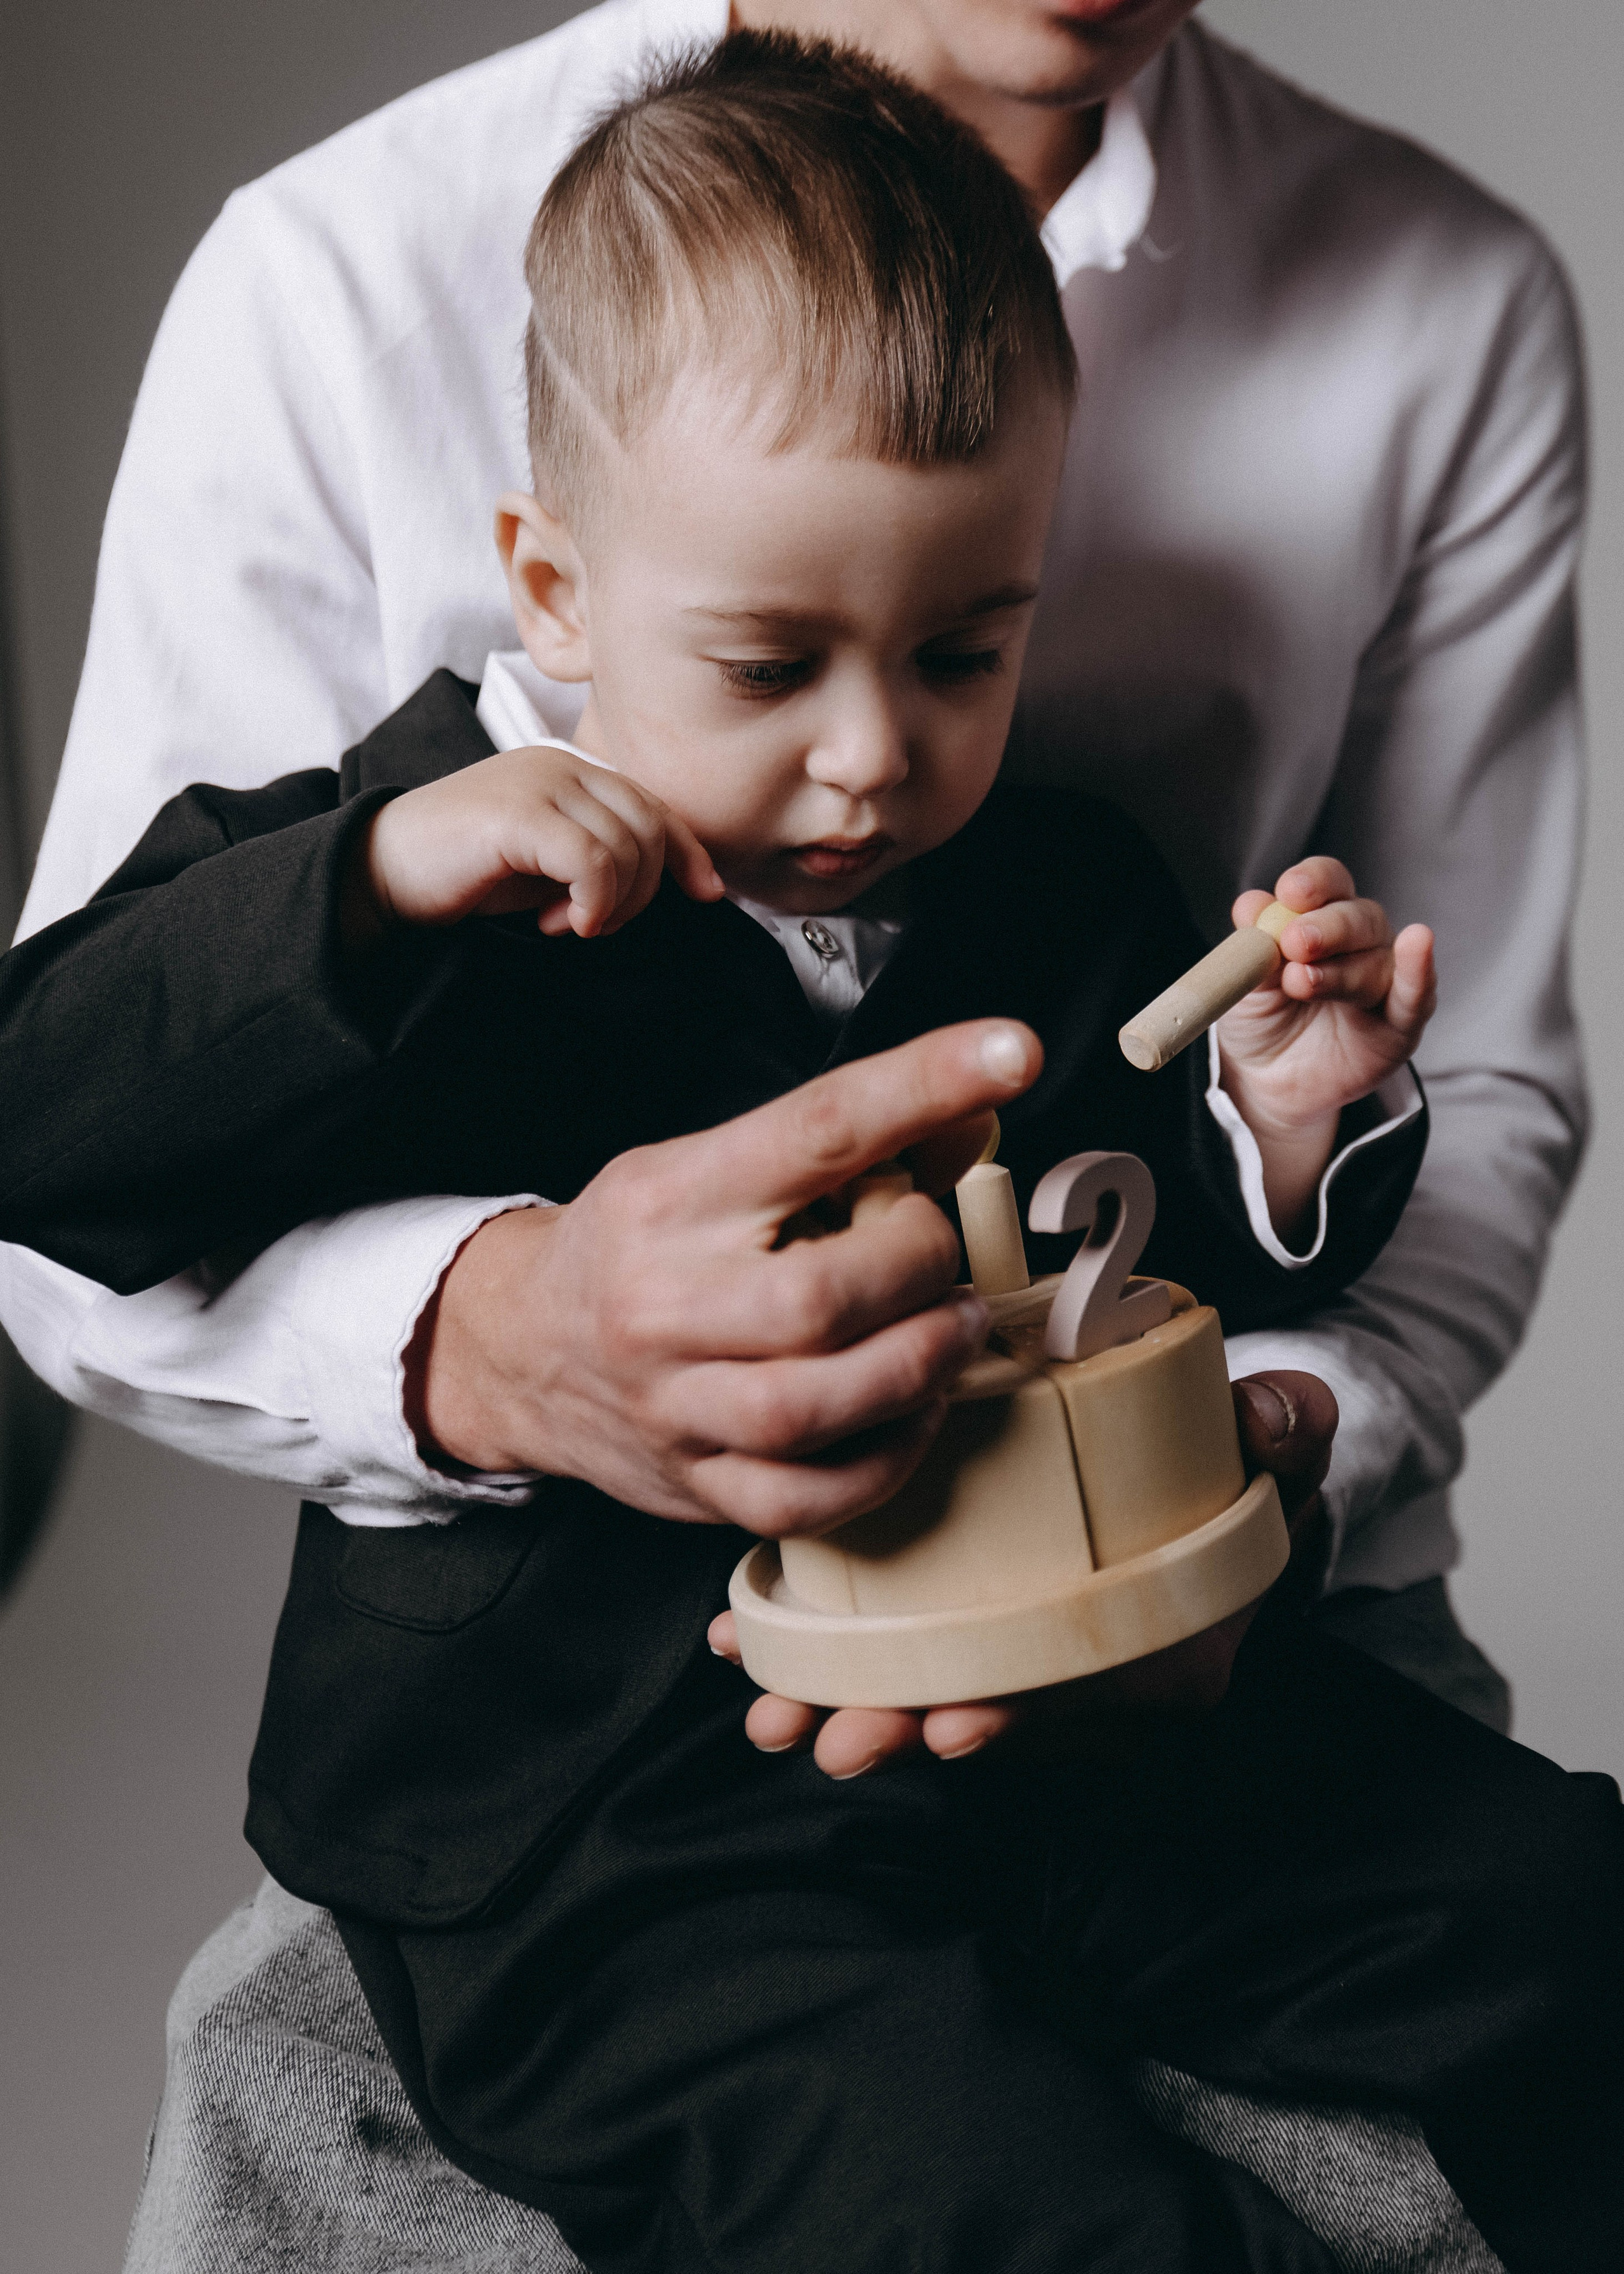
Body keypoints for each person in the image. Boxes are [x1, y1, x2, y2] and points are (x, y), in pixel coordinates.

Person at [7, 40, 1619, 2274]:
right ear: (551, 593)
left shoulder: (1055, 882)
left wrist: (1290, 1108)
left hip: (1060, 1706)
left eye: (968, 647)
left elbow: (1184, 1205)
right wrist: (365, 885)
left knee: (1557, 1911)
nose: (875, 759)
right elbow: (54, 1123)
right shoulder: (422, 881)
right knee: (986, 2207)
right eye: (769, 663)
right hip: (612, 1814)